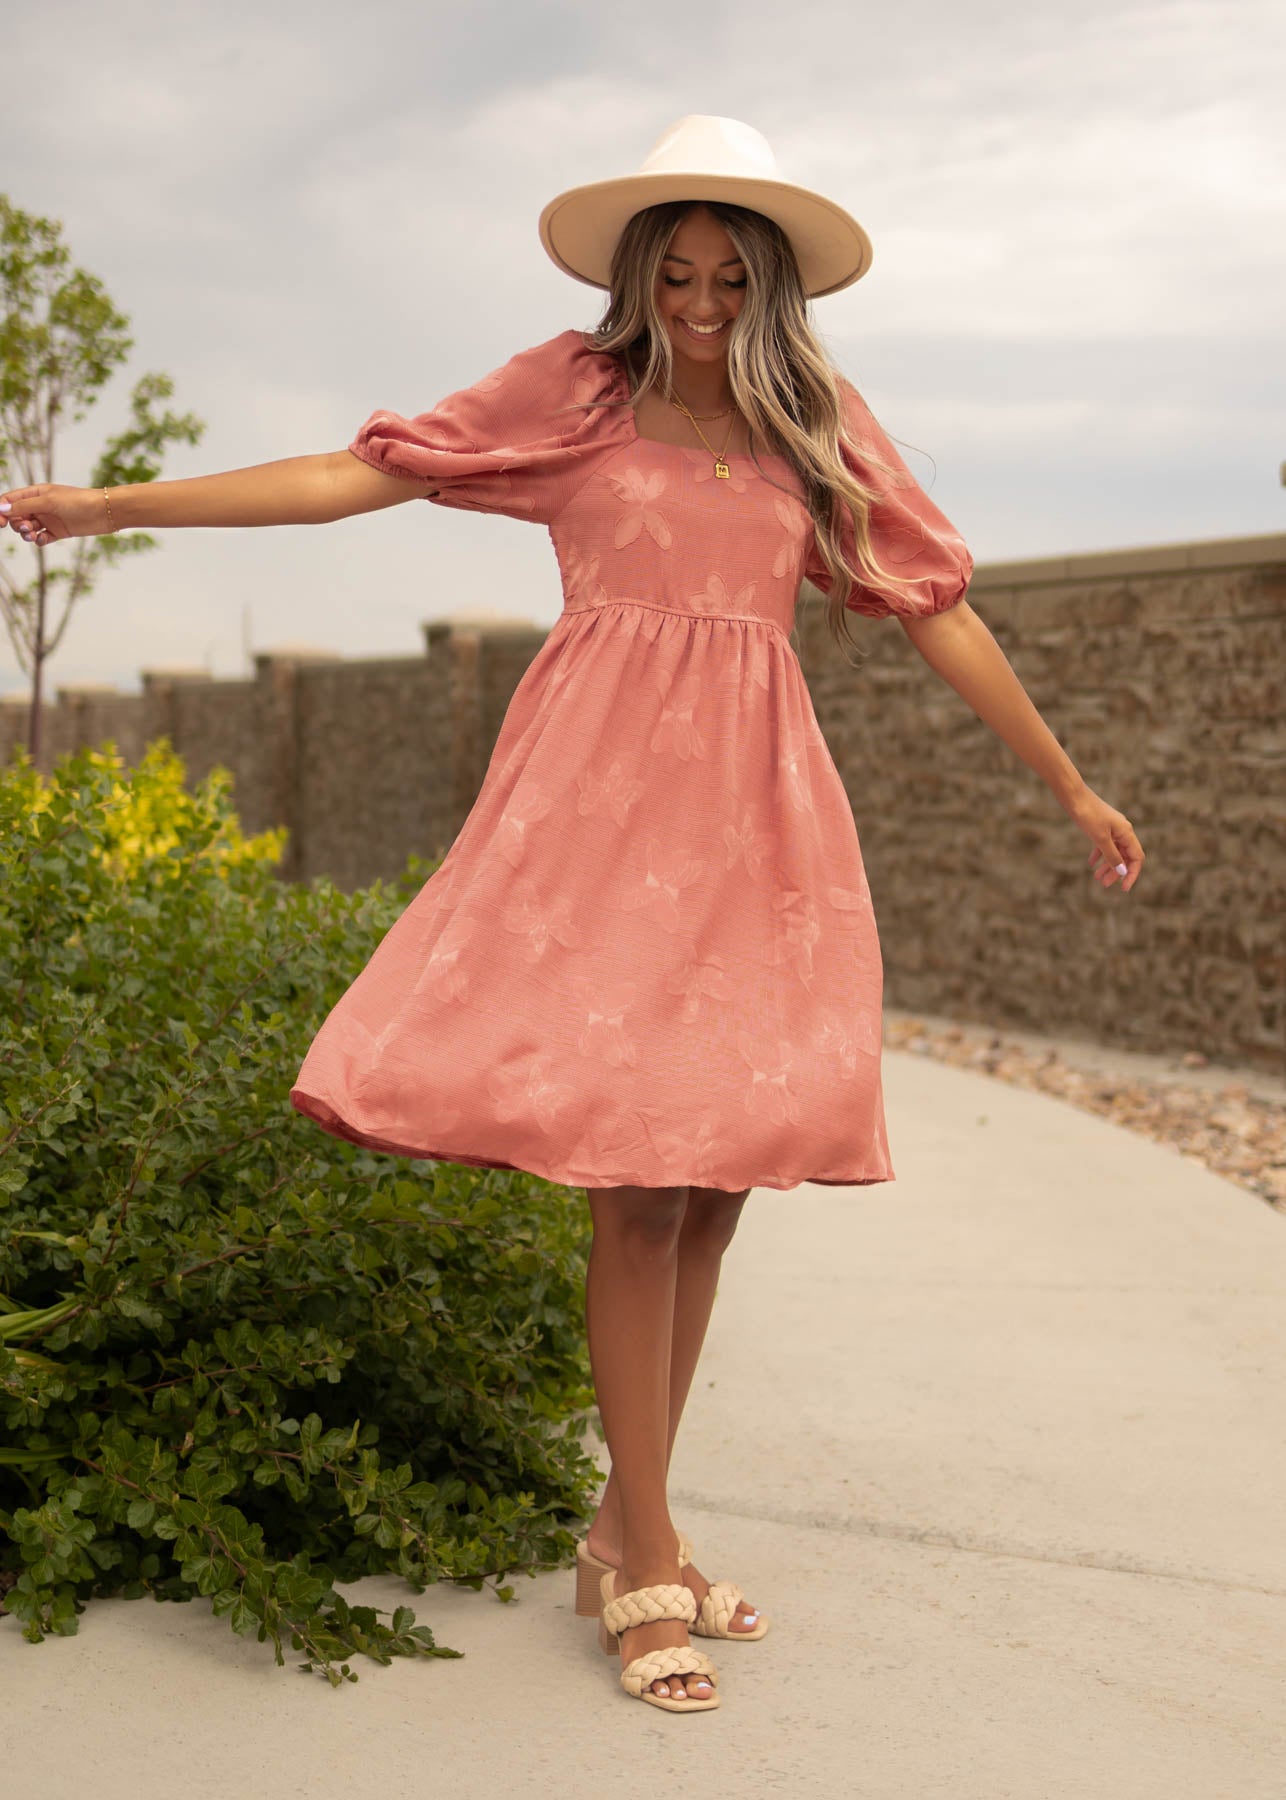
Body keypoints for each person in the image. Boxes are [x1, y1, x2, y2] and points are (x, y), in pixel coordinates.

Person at [0, 114, 1144, 1717]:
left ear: (767, 284)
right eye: (671, 269)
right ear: (636, 271)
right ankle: (652, 1552)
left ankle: (621, 1531)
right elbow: (359, 473)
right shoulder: (574, 394)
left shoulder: (813, 424)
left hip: (757, 822)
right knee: (633, 1184)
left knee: (717, 1183)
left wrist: (1068, 783)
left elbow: (935, 611)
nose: (693, 296)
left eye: (722, 272)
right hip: (597, 818)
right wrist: (116, 506)